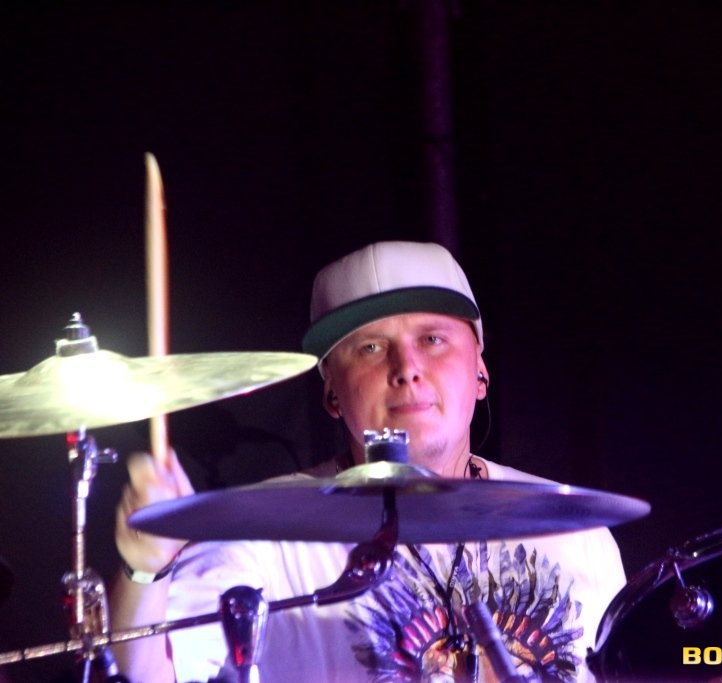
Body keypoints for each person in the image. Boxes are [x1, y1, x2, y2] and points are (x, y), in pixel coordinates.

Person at [110, 240, 627, 682]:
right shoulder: (258, 537)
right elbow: (152, 674)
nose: (407, 368)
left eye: (432, 339)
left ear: (481, 373)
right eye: (371, 348)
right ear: (331, 393)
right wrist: (145, 571)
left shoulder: (576, 534)